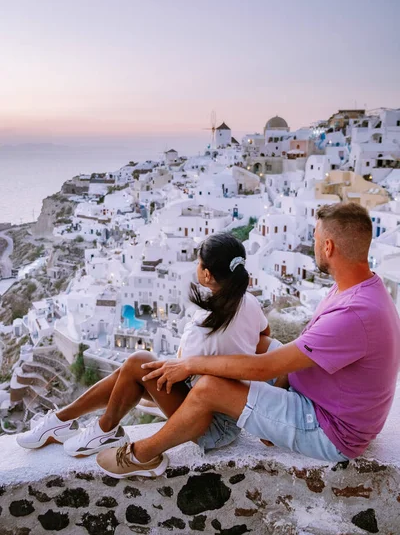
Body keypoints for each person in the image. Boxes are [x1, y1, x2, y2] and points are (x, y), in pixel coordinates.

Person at [96, 202, 400, 479]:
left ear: (329, 246)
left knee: (210, 386)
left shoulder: (354, 312)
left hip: (329, 430)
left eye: (317, 239)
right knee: (270, 345)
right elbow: (277, 351)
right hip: (324, 404)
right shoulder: (356, 290)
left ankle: (141, 456)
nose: (314, 246)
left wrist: (190, 364)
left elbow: (262, 369)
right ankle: (267, 424)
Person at [17, 233, 275, 473]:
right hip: (230, 413)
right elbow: (265, 336)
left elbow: (180, 375)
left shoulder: (204, 325)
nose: (195, 267)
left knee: (138, 364)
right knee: (133, 368)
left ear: (207, 274)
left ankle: (99, 428)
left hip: (210, 425)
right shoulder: (250, 303)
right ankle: (66, 422)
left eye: (198, 263)